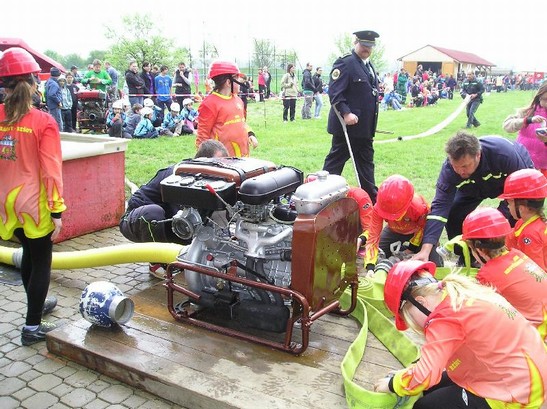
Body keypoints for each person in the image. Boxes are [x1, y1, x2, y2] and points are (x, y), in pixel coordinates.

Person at [374, 259, 547, 408]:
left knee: (425, 406)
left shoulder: (443, 319)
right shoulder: (459, 294)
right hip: (527, 374)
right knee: (433, 388)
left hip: (519, 395)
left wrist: (392, 384)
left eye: (409, 317)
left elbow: (424, 377)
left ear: (420, 302)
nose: (415, 326)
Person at [0, 48, 66, 346]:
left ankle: (35, 305)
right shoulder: (43, 121)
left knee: (27, 252)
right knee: (41, 261)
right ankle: (32, 327)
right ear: (34, 83)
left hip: (4, 203)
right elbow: (52, 170)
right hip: (34, 204)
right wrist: (57, 210)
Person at [413, 131, 534, 264]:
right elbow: (439, 209)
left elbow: (523, 191)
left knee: (515, 215)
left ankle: (505, 257)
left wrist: (496, 218)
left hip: (513, 182)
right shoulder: (449, 169)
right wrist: (425, 250)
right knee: (454, 212)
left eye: (465, 166)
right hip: (473, 187)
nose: (460, 171)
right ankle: (467, 255)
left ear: (478, 155)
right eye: (456, 166)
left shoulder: (503, 154)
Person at [119, 140, 228, 278]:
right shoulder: (178, 176)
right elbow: (185, 222)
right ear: (202, 161)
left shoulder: (206, 180)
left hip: (166, 221)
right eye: (216, 164)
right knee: (154, 214)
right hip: (135, 219)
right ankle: (157, 263)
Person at [461, 207, 547, 339]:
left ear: (480, 249)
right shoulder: (516, 253)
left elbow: (477, 311)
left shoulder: (487, 274)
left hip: (537, 337)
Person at [322, 30, 380, 203]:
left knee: (366, 167)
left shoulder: (368, 65)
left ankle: (372, 203)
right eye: (363, 45)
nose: (366, 49)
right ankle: (323, 196)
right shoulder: (345, 63)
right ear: (356, 42)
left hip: (364, 129)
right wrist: (346, 113)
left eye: (370, 46)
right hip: (347, 128)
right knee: (334, 164)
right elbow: (335, 93)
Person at [364, 175, 441, 275]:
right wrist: (370, 267)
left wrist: (411, 249)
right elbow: (373, 237)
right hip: (394, 230)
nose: (392, 218)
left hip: (417, 232)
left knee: (433, 261)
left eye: (395, 214)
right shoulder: (378, 208)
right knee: (379, 251)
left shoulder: (419, 207)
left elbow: (423, 228)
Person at [196, 60, 258, 157]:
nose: (240, 82)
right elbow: (202, 137)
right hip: (222, 163)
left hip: (243, 158)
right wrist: (204, 162)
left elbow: (242, 123)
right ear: (229, 82)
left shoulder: (238, 100)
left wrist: (250, 134)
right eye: (237, 78)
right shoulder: (209, 104)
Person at [499, 168, 546, 269]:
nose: (507, 206)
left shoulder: (529, 235)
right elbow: (509, 239)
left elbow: (536, 271)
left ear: (522, 208)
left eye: (509, 202)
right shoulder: (523, 223)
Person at [502, 81, 547, 176]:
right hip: (524, 163)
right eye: (544, 99)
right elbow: (507, 126)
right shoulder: (527, 111)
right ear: (539, 97)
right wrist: (526, 120)